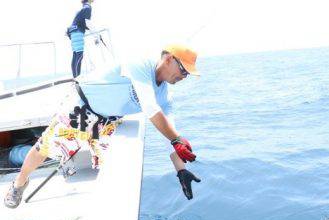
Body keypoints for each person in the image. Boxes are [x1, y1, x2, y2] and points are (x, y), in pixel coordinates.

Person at [4, 44, 202, 208]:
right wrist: (176, 140)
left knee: (114, 168)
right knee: (45, 148)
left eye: (188, 74)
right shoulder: (140, 64)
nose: (184, 76)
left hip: (107, 120)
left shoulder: (165, 95)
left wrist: (181, 170)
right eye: (183, 70)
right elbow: (151, 110)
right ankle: (19, 183)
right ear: (168, 59)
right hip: (82, 105)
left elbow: (171, 130)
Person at [67, 0, 95, 78]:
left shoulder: (83, 8)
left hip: (73, 32)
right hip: (77, 32)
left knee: (76, 55)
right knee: (79, 55)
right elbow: (88, 23)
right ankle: (77, 79)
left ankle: (75, 78)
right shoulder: (88, 7)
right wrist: (96, 35)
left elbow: (83, 22)